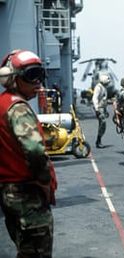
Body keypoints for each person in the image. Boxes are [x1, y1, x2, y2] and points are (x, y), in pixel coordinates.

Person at [0, 49, 57, 258]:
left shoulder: (3, 103)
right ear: (12, 78)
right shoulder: (18, 108)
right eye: (31, 76)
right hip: (27, 195)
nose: (38, 83)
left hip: (9, 194)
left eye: (40, 75)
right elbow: (34, 149)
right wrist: (44, 181)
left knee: (25, 250)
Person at [92, 74, 110, 148]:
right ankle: (98, 141)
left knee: (102, 125)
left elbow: (104, 100)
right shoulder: (98, 87)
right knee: (103, 123)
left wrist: (106, 110)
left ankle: (99, 140)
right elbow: (95, 98)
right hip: (99, 108)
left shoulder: (104, 87)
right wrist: (96, 109)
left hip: (102, 108)